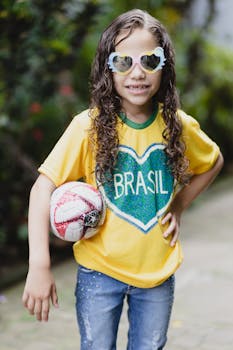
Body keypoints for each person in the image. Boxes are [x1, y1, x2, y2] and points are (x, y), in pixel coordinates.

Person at [22, 8, 224, 350]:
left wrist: (178, 205)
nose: (137, 73)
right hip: (99, 272)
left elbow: (213, 161)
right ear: (107, 69)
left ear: (164, 66)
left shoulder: (178, 124)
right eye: (122, 62)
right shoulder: (88, 127)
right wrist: (39, 264)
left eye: (149, 60)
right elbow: (42, 188)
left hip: (157, 273)